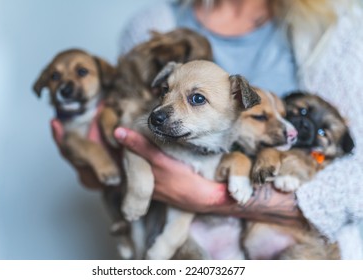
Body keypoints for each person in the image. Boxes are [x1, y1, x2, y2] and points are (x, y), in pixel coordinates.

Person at [52, 0, 363, 259]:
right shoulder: (151, 23)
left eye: (197, 99)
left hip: (302, 251)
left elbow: (357, 178)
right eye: (165, 91)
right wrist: (96, 158)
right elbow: (124, 136)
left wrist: (209, 197)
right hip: (182, 247)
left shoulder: (341, 27)